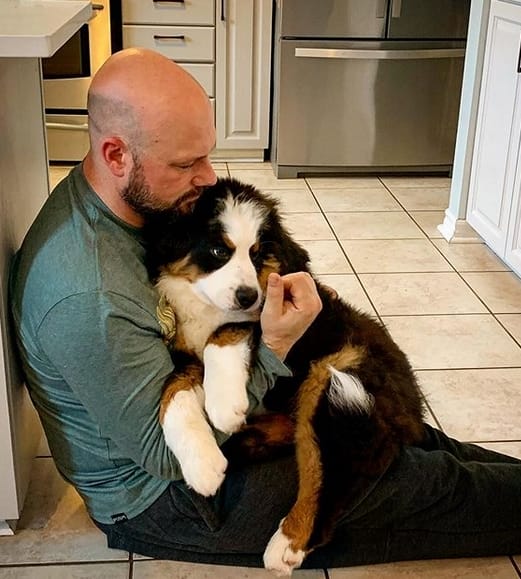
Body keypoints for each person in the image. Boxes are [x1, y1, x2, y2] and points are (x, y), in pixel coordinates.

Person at [10, 48, 521, 571]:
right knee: (426, 487)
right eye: (186, 164)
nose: (208, 177)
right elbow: (167, 456)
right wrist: (275, 343)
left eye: (206, 155)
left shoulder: (127, 201)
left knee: (410, 435)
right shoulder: (87, 293)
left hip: (222, 430)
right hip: (168, 498)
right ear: (116, 154)